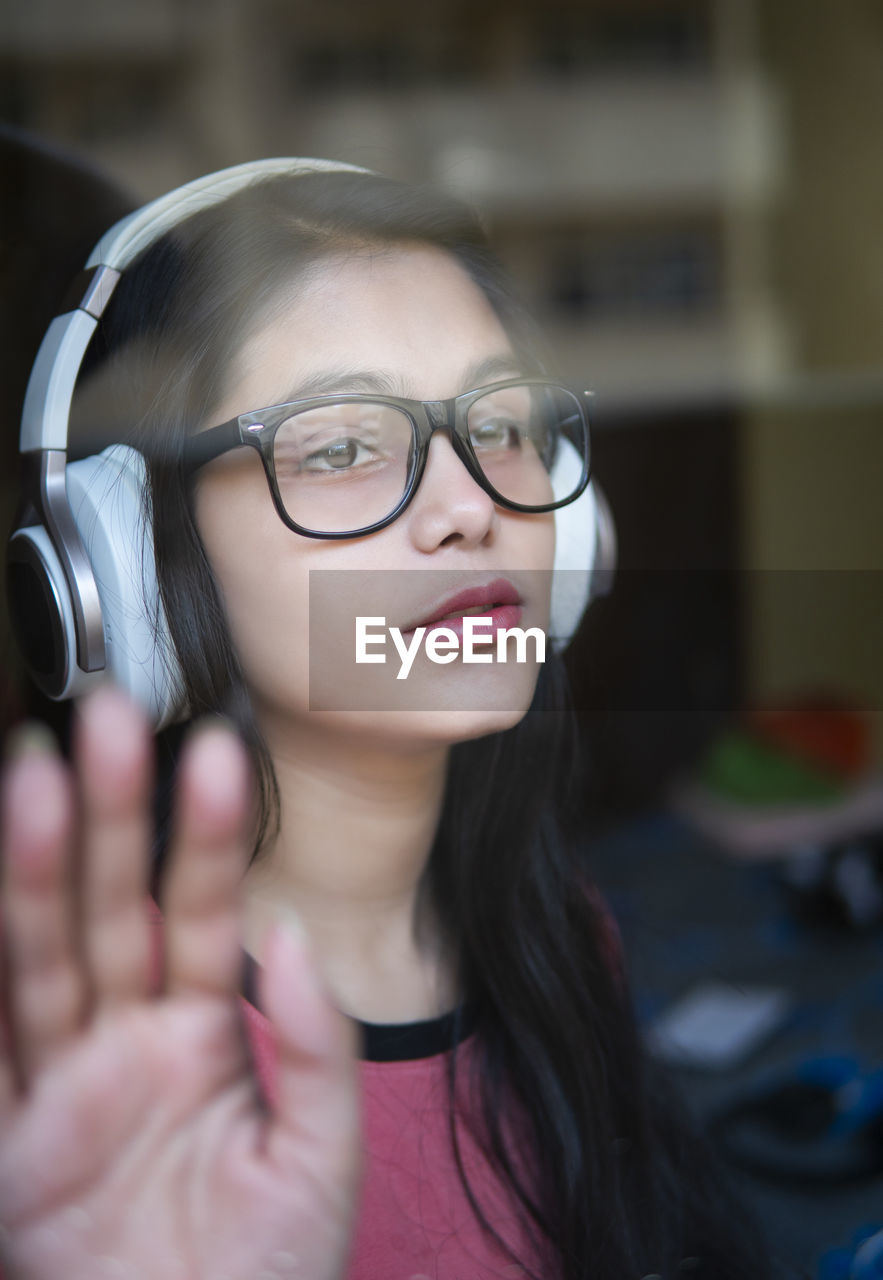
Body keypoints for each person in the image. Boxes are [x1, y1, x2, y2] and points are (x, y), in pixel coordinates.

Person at [1, 159, 782, 1280]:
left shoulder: (559, 931)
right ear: (129, 571)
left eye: (502, 423)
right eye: (339, 446)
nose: (470, 508)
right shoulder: (78, 1068)